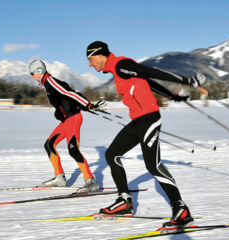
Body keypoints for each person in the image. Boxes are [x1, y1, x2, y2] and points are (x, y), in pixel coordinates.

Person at [86, 41, 206, 227]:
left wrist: (186, 81)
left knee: (153, 166)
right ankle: (124, 201)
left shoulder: (121, 65)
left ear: (100, 55)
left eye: (91, 59)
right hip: (138, 121)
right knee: (112, 154)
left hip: (149, 119)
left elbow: (150, 72)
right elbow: (147, 81)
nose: (90, 64)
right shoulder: (117, 71)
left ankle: (181, 209)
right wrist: (173, 96)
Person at [29, 59, 103, 193]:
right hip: (66, 120)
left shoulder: (51, 82)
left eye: (32, 73)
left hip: (73, 118)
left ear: (39, 71)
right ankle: (59, 178)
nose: (31, 76)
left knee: (73, 150)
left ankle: (90, 181)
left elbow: (70, 93)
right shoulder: (47, 84)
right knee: (49, 144)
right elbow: (64, 99)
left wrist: (87, 104)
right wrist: (59, 112)